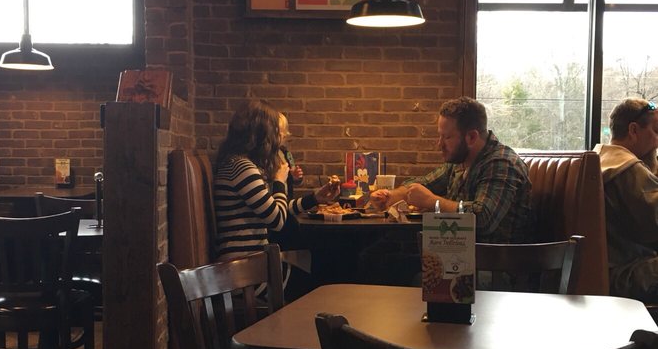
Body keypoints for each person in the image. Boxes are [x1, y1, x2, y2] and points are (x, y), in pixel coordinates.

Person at [370, 96, 534, 243]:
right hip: (456, 251)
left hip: (492, 266)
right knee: (378, 251)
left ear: (471, 137)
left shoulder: (501, 163)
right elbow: (424, 184)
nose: (439, 144)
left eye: (447, 137)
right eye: (440, 136)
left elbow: (483, 218)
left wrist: (431, 201)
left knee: (383, 262)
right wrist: (389, 196)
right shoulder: (459, 161)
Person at [214, 99, 339, 260]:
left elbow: (273, 209)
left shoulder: (237, 164)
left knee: (317, 254)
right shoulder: (242, 168)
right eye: (275, 132)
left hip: (250, 264)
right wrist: (279, 181)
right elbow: (278, 220)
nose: (277, 140)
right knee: (323, 255)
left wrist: (315, 199)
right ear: (261, 133)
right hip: (244, 269)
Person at [595, 97, 658, 301]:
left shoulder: (599, 159)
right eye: (656, 131)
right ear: (633, 130)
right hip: (624, 275)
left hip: (598, 269)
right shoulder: (628, 170)